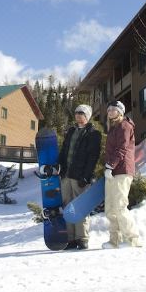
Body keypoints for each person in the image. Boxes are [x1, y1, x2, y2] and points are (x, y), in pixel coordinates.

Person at [58, 104, 101, 250]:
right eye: (76, 112)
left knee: (80, 207)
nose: (77, 115)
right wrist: (59, 166)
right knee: (68, 207)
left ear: (87, 116)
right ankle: (70, 238)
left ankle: (82, 238)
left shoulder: (93, 133)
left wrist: (86, 176)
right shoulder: (71, 131)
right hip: (66, 175)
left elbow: (93, 157)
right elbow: (64, 151)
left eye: (81, 113)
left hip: (80, 177)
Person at [102, 100, 142, 249]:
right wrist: (109, 168)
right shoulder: (113, 128)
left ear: (121, 111)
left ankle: (133, 239)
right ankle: (114, 241)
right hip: (113, 171)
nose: (110, 112)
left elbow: (122, 149)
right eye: (109, 109)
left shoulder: (124, 126)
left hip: (122, 170)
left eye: (113, 109)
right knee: (111, 208)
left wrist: (110, 166)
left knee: (119, 206)